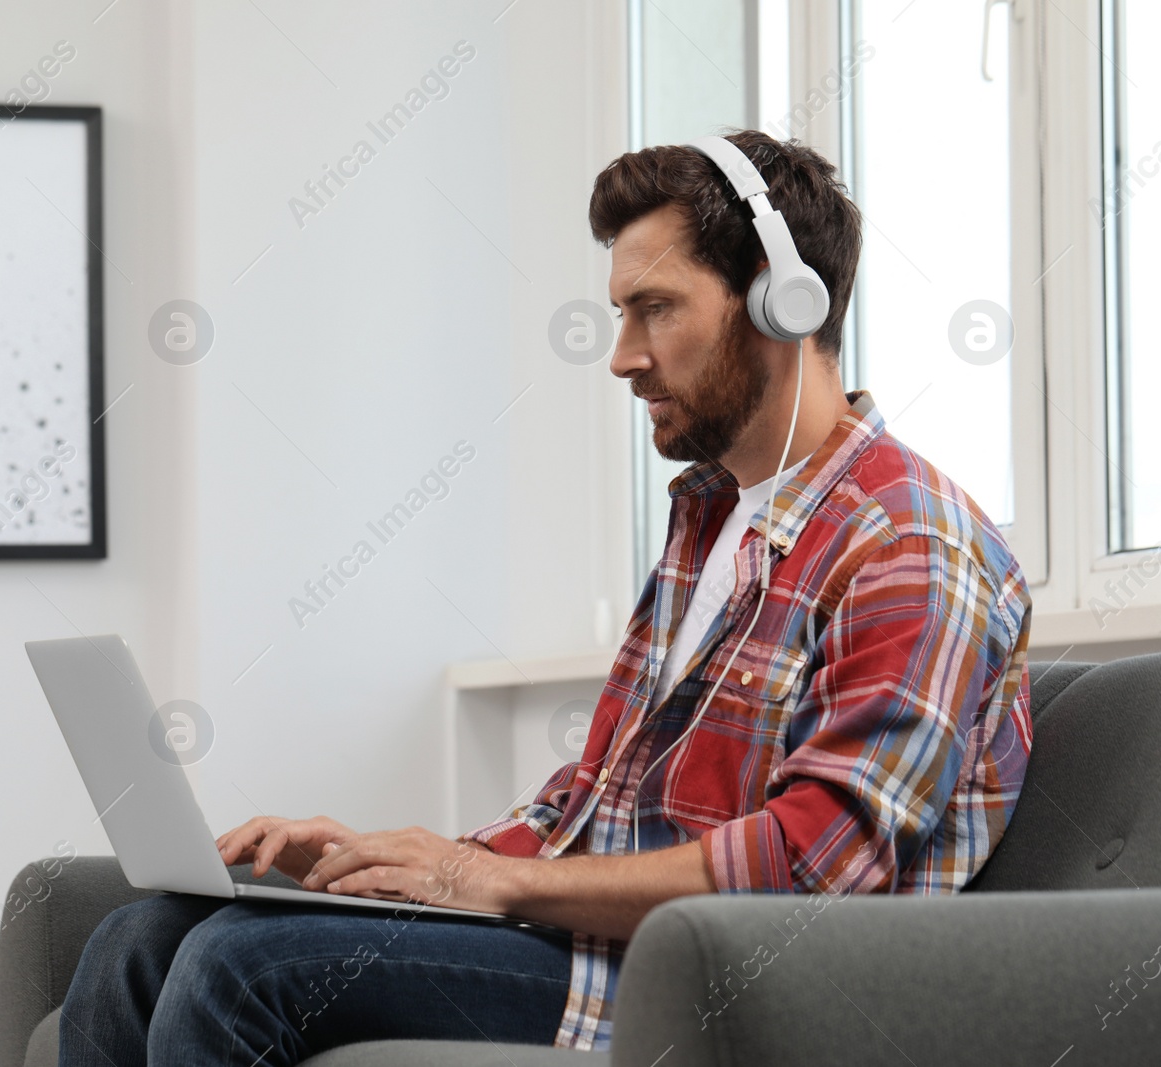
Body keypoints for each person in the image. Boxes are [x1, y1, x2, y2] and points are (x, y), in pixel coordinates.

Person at [57, 129, 1032, 1065]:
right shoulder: (715, 521)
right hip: (603, 944)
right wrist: (393, 861)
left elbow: (812, 867)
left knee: (234, 969)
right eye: (619, 313)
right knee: (137, 940)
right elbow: (595, 814)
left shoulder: (907, 541)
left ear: (783, 305)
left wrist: (489, 879)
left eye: (655, 308)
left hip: (726, 986)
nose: (621, 355)